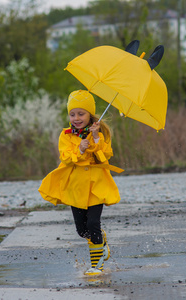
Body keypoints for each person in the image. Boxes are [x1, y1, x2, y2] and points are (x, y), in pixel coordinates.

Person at [38, 89, 124, 276]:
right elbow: (65, 157)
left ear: (90, 115)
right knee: (82, 230)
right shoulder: (66, 135)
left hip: (95, 186)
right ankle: (101, 241)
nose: (76, 118)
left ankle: (96, 266)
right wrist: (80, 150)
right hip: (76, 188)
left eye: (81, 113)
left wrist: (93, 139)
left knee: (93, 223)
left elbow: (105, 157)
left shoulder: (98, 134)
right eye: (72, 113)